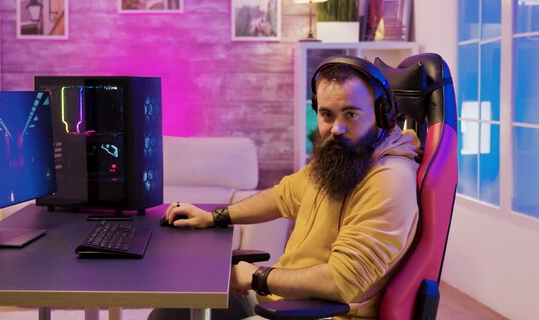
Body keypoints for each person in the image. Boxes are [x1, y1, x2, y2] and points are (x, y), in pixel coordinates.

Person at [148, 56, 420, 320]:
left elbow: (342, 282)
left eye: (351, 114)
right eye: (327, 114)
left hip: (324, 313)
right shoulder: (343, 158)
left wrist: (257, 277)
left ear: (383, 117)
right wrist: (214, 216)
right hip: (284, 299)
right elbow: (281, 196)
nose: (336, 128)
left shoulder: (388, 180)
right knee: (171, 310)